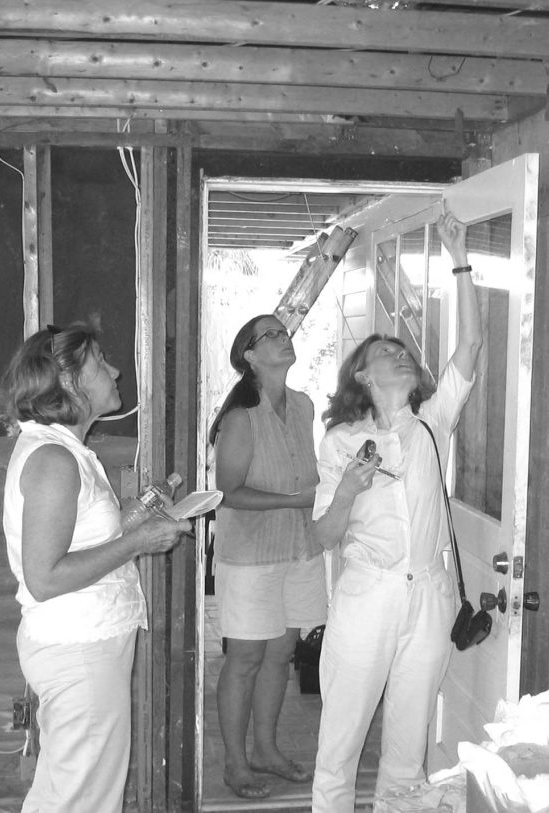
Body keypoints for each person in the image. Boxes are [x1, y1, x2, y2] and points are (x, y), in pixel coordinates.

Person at [310, 211, 483, 812]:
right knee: (342, 739)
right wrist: (350, 490)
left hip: (429, 595)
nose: (403, 357)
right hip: (368, 594)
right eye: (388, 352)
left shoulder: (432, 424)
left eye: (405, 352)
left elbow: (471, 347)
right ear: (362, 373)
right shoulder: (339, 442)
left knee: (408, 748)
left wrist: (459, 260)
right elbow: (323, 536)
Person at [0, 321, 189, 812]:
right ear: (68, 381)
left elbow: (87, 539)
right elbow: (45, 578)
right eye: (100, 362)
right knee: (78, 797)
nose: (115, 369)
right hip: (78, 651)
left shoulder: (66, 451)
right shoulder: (54, 460)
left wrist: (140, 515)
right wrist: (138, 542)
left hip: (88, 645)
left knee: (80, 791)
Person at [209, 313, 327, 800]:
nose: (285, 338)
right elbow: (227, 492)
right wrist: (297, 501)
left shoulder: (303, 405)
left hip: (301, 548)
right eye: (272, 335)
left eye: (285, 331)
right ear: (250, 356)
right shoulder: (240, 417)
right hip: (250, 556)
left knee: (281, 655)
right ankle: (236, 764)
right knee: (246, 659)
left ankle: (266, 751)